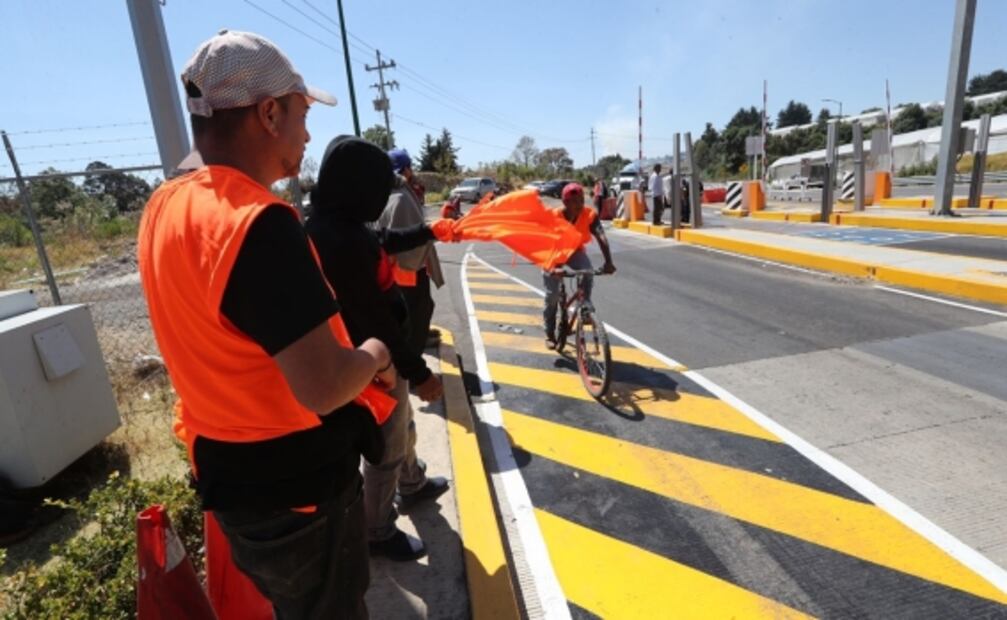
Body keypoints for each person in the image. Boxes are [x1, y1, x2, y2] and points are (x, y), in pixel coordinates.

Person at [137, 30, 392, 619]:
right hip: (299, 494)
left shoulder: (163, 207)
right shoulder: (257, 223)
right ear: (269, 112)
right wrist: (376, 353)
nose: (307, 134)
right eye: (301, 115)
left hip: (233, 485)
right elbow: (325, 386)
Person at [305, 136, 451, 562]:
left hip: (381, 359)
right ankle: (378, 530)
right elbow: (374, 320)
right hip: (372, 365)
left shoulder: (338, 222)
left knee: (402, 427)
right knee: (386, 447)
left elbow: (383, 240)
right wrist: (418, 371)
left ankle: (413, 482)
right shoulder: (338, 239)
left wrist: (430, 229)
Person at [378, 149, 445, 352]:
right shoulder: (400, 198)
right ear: (404, 170)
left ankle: (420, 338)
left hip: (398, 271)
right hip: (409, 271)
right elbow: (409, 245)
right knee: (418, 311)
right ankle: (416, 357)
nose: (412, 171)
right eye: (409, 167)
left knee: (417, 310)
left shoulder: (388, 194)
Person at [543, 183, 616, 350]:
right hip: (552, 253)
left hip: (574, 251)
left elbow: (601, 237)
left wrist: (608, 262)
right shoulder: (554, 217)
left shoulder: (589, 215)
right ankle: (549, 333)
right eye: (574, 201)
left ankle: (585, 306)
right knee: (552, 295)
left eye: (581, 200)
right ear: (565, 202)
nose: (579, 205)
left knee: (587, 270)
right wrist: (554, 268)